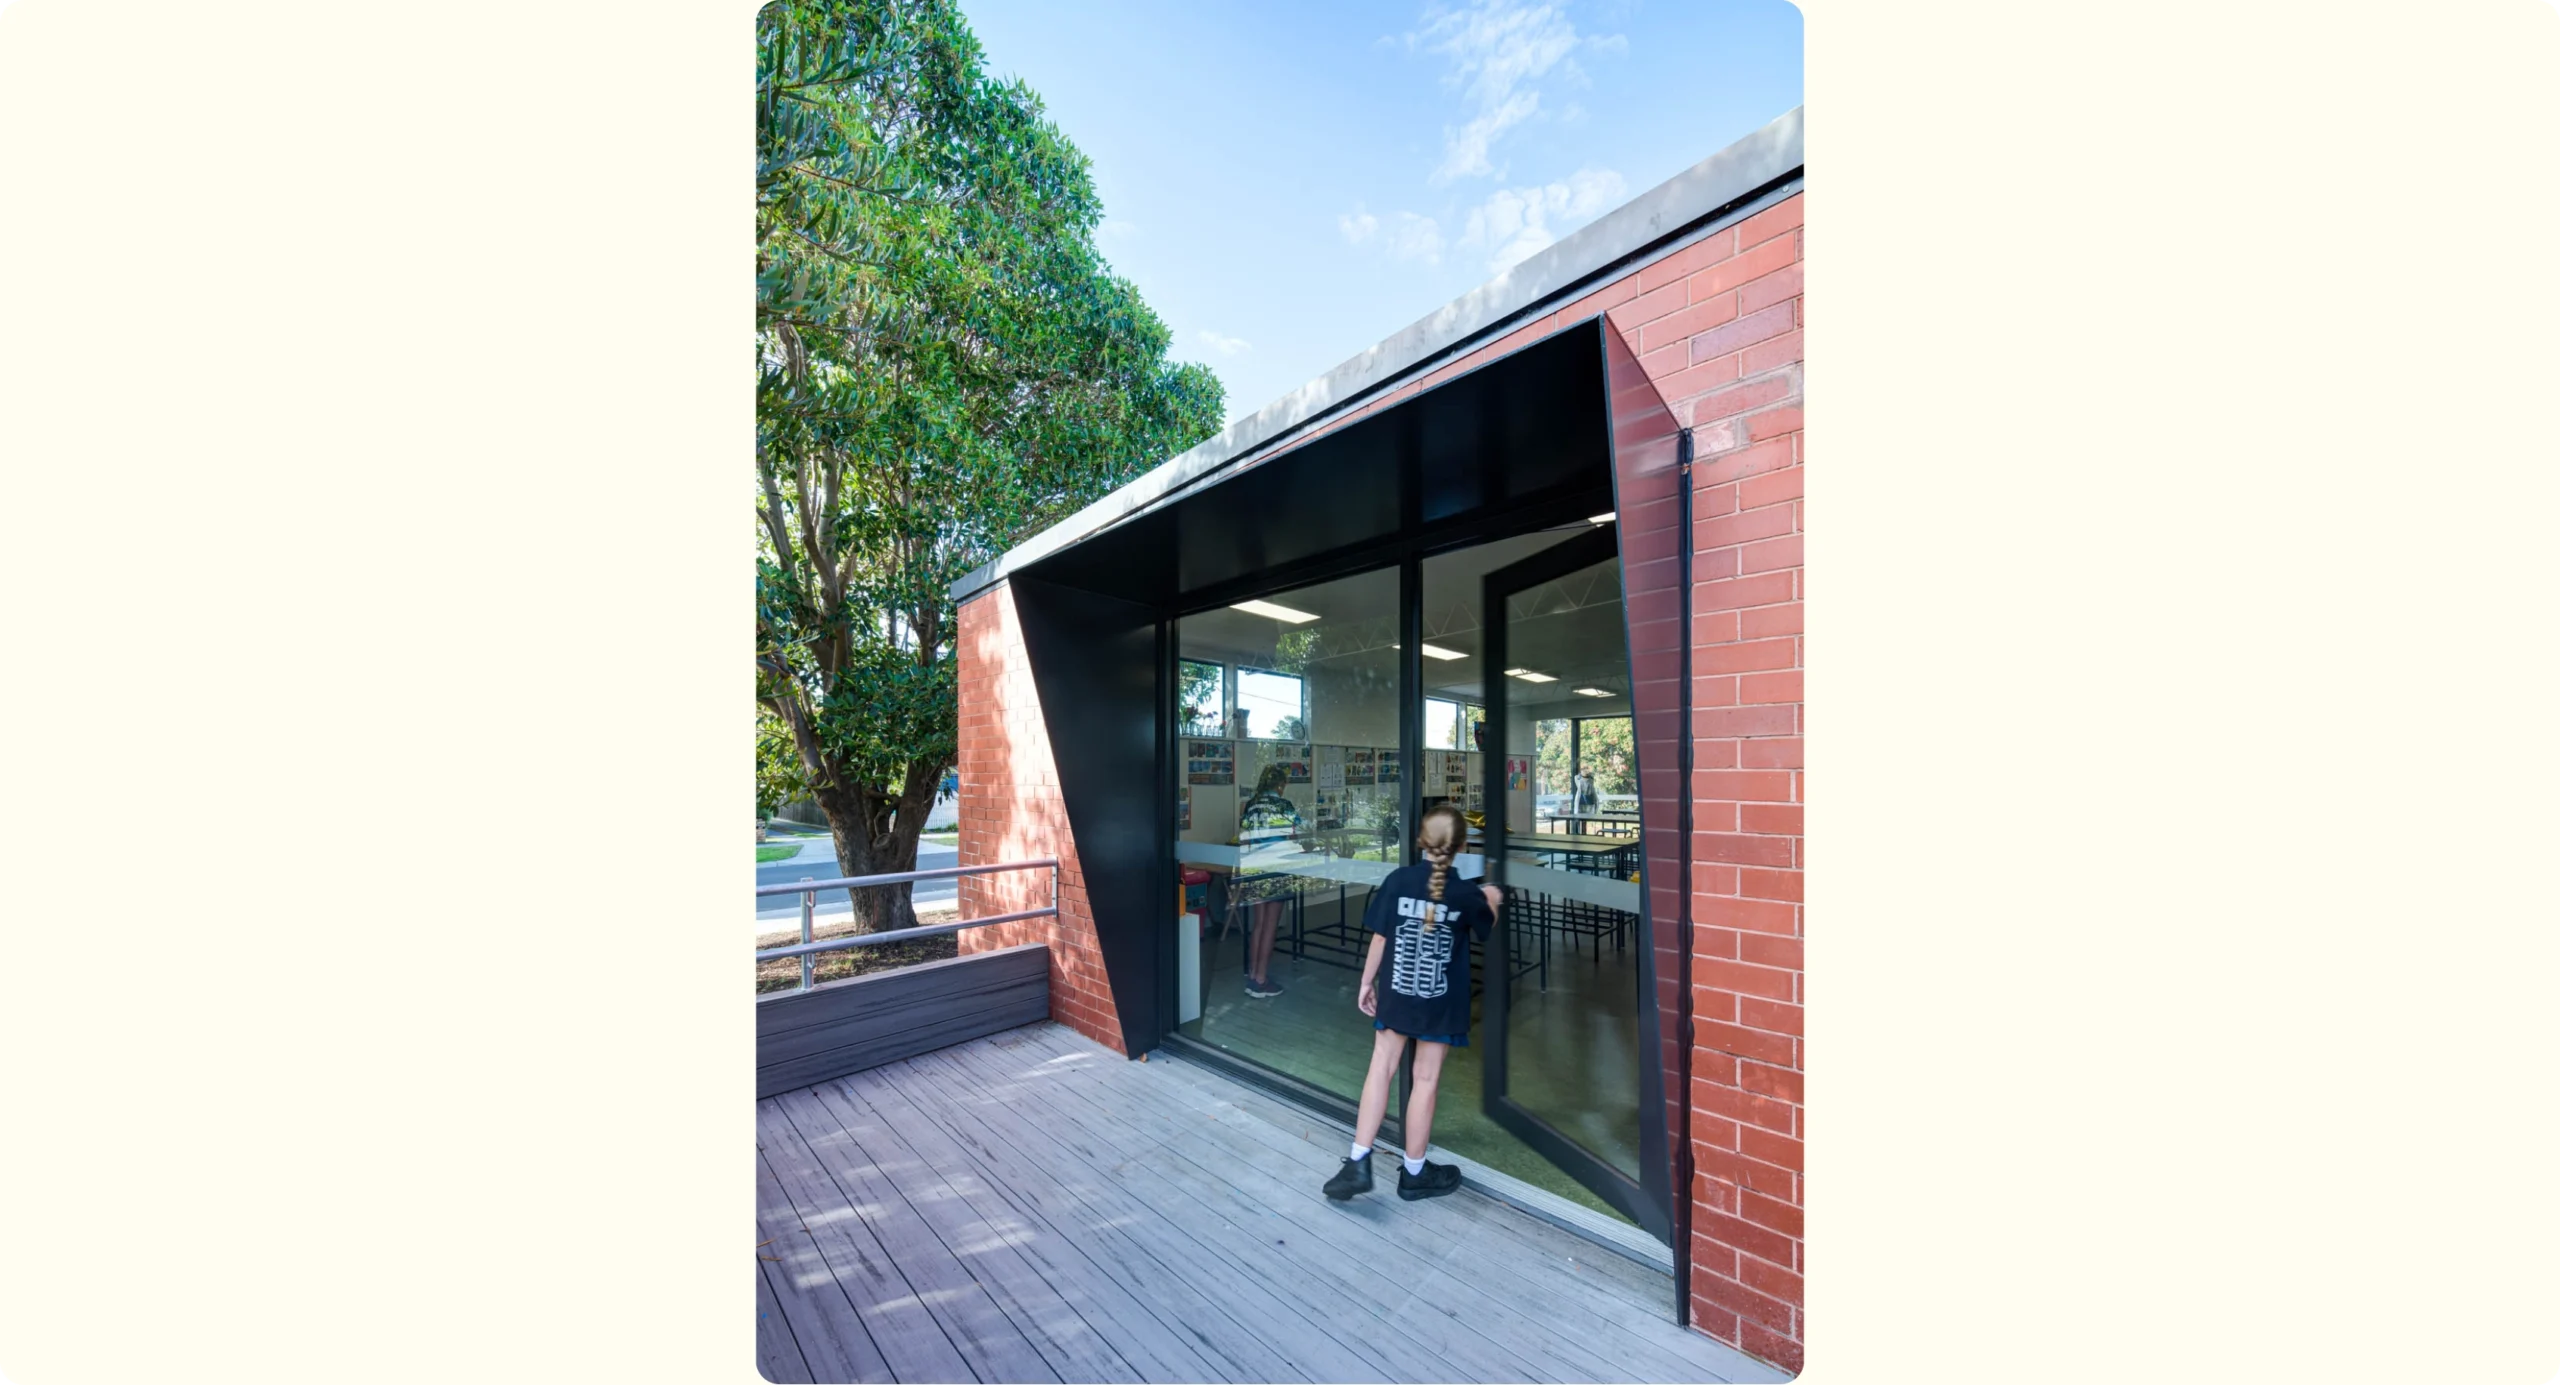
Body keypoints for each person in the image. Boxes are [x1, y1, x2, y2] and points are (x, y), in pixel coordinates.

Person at [1322, 802, 1504, 1202]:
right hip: (1440, 1002)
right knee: (1425, 1080)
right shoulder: (1465, 893)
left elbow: (1381, 937)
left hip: (1398, 994)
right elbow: (1488, 930)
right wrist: (1490, 898)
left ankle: (1358, 1161)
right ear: (1462, 847)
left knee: (1380, 1070)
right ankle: (1415, 1173)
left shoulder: (1398, 880)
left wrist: (1367, 983)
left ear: (1421, 841)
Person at [1230, 764, 1304, 998]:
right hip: (1276, 867)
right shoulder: (1284, 806)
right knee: (1271, 924)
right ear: (1280, 785)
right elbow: (1294, 834)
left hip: (1254, 867)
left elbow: (1244, 838)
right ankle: (1261, 979)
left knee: (1259, 924)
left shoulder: (1250, 805)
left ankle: (1252, 974)